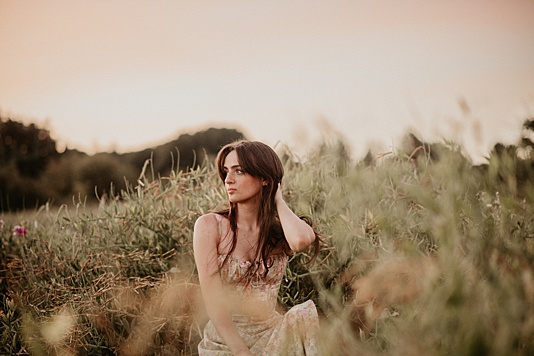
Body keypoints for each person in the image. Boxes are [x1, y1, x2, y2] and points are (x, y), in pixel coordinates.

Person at [193, 140, 321, 355]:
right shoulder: (210, 226)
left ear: (264, 178)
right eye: (226, 172)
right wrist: (241, 351)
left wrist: (278, 199)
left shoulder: (280, 233)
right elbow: (213, 301)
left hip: (273, 337)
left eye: (239, 171)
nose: (228, 180)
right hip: (226, 343)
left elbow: (300, 241)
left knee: (304, 313)